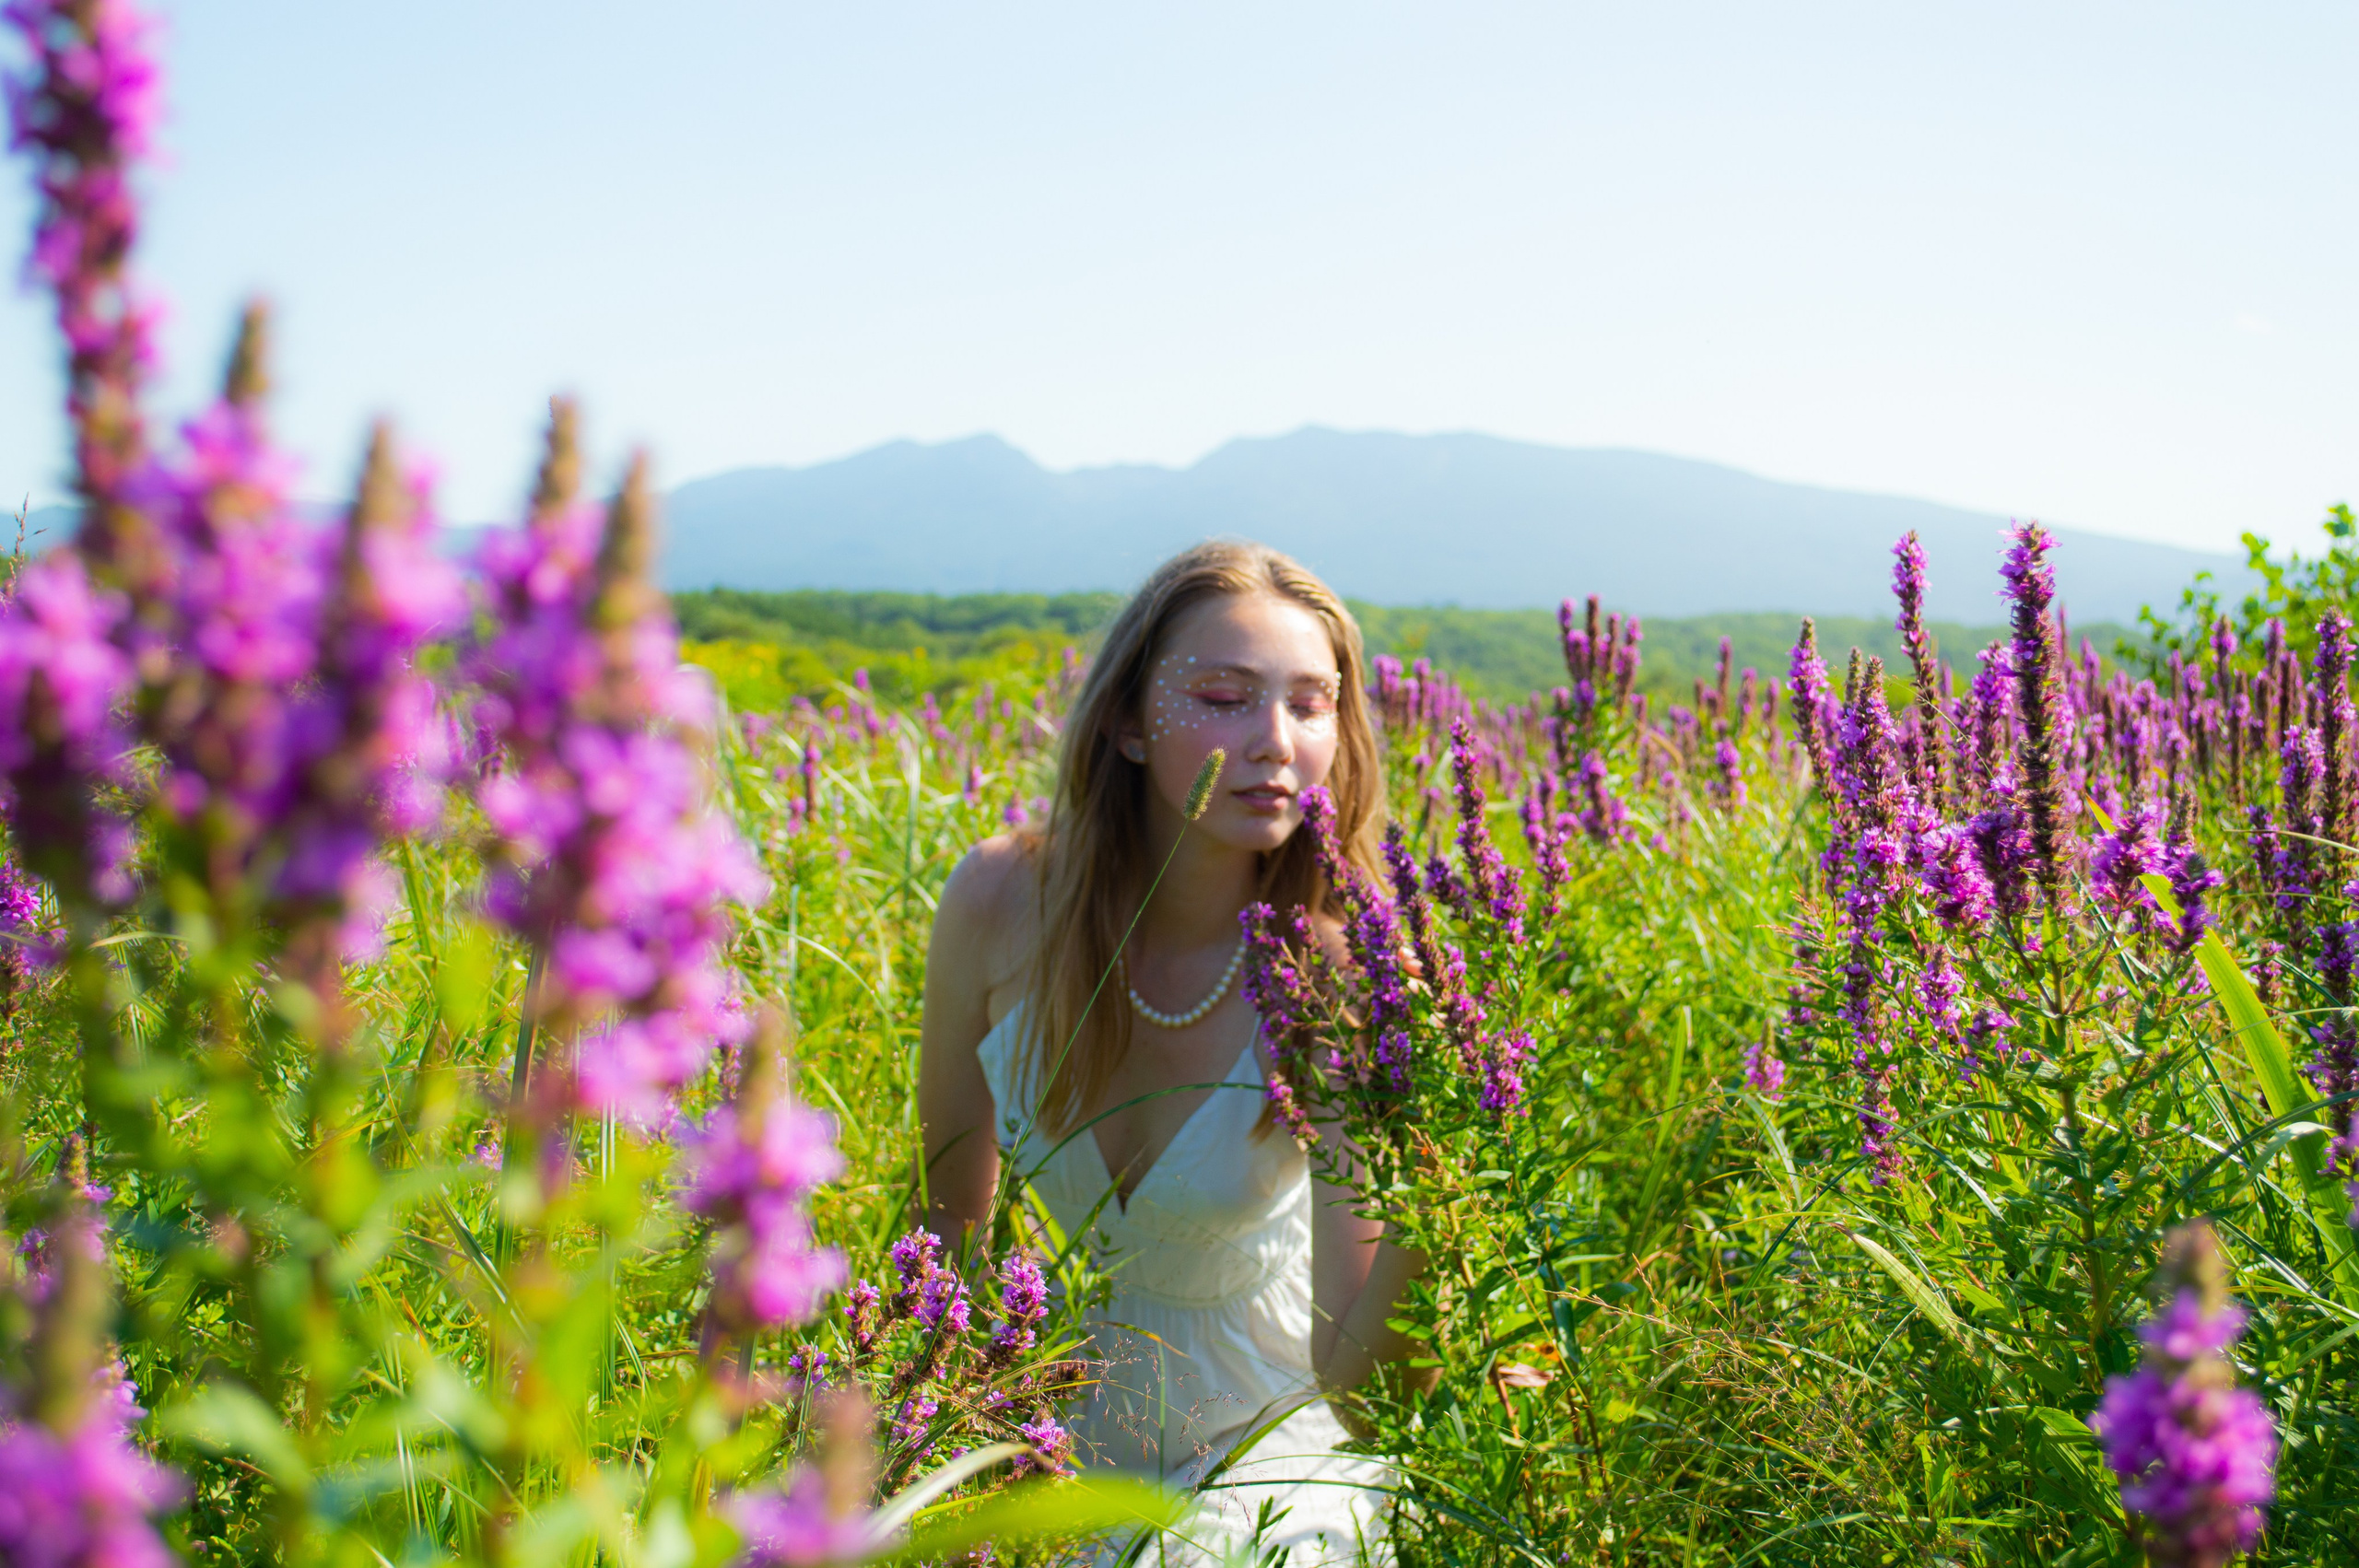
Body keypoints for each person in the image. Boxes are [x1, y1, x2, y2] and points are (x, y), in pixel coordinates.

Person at [918, 540, 1421, 1563]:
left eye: (1309, 703)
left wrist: (1443, 1201)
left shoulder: (1336, 969)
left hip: (1270, 1454)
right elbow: (943, 1231)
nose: (1275, 741)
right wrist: (954, 1457)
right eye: (1225, 697)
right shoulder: (1000, 902)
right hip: (1057, 1442)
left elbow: (1366, 1403)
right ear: (1127, 722)